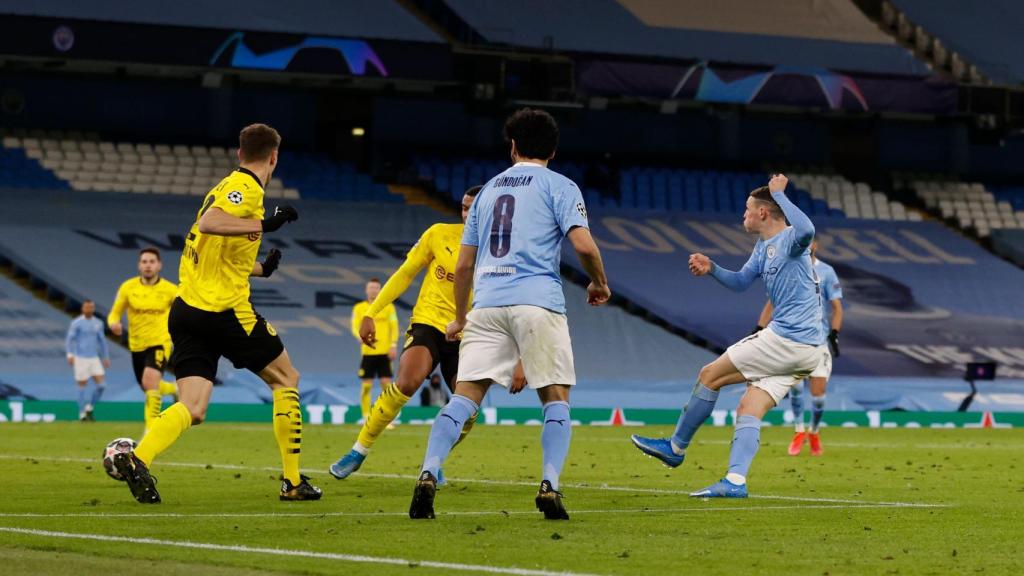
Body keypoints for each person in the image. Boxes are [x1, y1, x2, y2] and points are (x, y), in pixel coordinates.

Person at [408, 108, 611, 521]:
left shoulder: (486, 192)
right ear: (553, 150)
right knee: (555, 398)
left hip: (487, 302)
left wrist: (461, 317)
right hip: (538, 302)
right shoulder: (561, 185)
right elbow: (585, 247)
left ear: (513, 146)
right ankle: (550, 485)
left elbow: (463, 266)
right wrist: (599, 283)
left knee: (464, 397)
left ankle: (429, 472)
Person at [111, 123, 321, 504]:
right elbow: (210, 224)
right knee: (286, 379)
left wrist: (261, 268)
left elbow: (215, 247)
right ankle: (292, 483)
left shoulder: (221, 187)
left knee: (193, 407)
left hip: (187, 310)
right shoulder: (247, 190)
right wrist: (266, 223)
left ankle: (138, 458)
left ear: (239, 154)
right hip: (225, 312)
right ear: (273, 157)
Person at [630, 174, 827, 498]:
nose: (743, 215)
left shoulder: (791, 238)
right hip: (806, 351)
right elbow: (740, 282)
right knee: (749, 406)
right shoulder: (764, 247)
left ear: (764, 212)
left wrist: (780, 194)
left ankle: (675, 447)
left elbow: (808, 230)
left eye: (748, 210)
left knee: (709, 375)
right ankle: (735, 481)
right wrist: (712, 268)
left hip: (789, 339)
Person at [329, 185, 484, 481]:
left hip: (470, 334)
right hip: (429, 322)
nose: (467, 214)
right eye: (464, 208)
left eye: (474, 208)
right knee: (407, 381)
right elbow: (404, 273)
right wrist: (371, 313)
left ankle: (434, 462)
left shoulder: (499, 251)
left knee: (470, 408)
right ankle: (358, 450)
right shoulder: (438, 234)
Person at [755, 238, 843, 456]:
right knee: (794, 388)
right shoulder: (788, 267)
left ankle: (813, 431)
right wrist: (758, 328)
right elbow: (772, 302)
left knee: (818, 393)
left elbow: (837, 308)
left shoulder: (827, 272)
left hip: (819, 340)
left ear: (816, 245)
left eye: (811, 242)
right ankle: (798, 430)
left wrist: (834, 334)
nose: (808, 245)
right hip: (792, 339)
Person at [107, 247, 180, 434]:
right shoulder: (128, 287)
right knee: (147, 386)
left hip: (160, 342)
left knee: (149, 381)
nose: (148, 265)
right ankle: (174, 389)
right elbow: (114, 313)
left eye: (152, 262)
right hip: (137, 344)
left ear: (159, 265)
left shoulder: (171, 290)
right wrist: (114, 323)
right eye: (145, 262)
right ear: (139, 265)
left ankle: (151, 429)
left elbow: (184, 312)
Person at [350, 278, 398, 422]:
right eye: (371, 288)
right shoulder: (359, 308)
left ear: (380, 290)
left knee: (386, 386)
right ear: (366, 290)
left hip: (384, 352)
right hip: (368, 352)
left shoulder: (388, 307)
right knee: (366, 387)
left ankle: (387, 417)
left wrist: (393, 345)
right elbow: (354, 325)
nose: (373, 290)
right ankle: (365, 417)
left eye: (376, 288)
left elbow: (394, 327)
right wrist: (358, 335)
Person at [65, 300, 109, 421]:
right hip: (81, 358)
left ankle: (90, 407)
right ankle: (81, 413)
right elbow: (70, 340)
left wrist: (105, 357)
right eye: (87, 307)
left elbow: (102, 341)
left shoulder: (98, 323)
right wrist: (70, 354)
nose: (89, 309)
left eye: (91, 307)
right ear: (83, 309)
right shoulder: (77, 323)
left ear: (93, 309)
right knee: (82, 386)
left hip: (94, 358)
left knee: (102, 385)